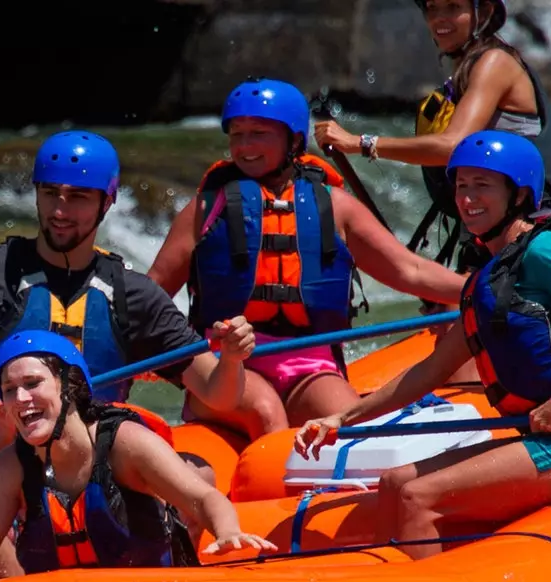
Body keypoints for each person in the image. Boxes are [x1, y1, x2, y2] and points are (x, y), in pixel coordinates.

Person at [294, 132, 551, 559]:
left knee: (414, 495)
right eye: (461, 186)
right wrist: (342, 419)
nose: (468, 198)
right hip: (538, 436)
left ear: (517, 195)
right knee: (393, 483)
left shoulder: (547, 248)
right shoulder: (487, 277)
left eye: (483, 185)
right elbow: (432, 370)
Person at [147, 78, 466, 437]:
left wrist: (480, 287)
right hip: (225, 364)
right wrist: (165, 358)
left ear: (294, 141)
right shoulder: (205, 208)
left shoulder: (336, 208)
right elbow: (151, 293)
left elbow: (410, 271)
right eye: (237, 135)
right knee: (266, 412)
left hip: (310, 361)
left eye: (259, 134)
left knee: (350, 419)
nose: (245, 146)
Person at [0, 131, 255, 424]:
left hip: (92, 470)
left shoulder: (133, 295)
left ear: (107, 202)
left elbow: (217, 393)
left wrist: (234, 358)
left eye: (78, 197)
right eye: (50, 194)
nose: (60, 210)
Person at [0, 331, 272, 582]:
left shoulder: (125, 444)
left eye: (33, 383)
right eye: (9, 389)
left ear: (69, 385)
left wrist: (227, 533)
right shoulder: (10, 467)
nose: (21, 398)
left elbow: (204, 498)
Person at [313, 0, 551, 269]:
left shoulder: (494, 62)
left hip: (522, 227)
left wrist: (360, 143)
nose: (439, 19)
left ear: (485, 11)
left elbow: (452, 146)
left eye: (452, 6)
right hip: (485, 226)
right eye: (432, 8)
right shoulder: (465, 70)